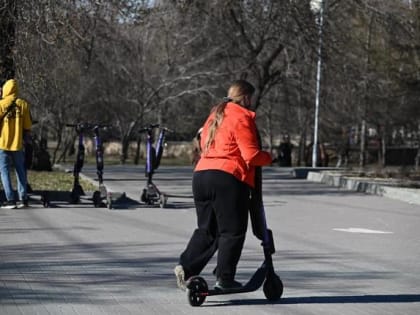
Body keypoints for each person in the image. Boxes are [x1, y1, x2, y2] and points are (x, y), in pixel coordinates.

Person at [174, 80, 272, 291]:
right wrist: (269, 158)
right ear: (245, 97)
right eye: (251, 99)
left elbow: (201, 144)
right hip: (226, 178)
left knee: (207, 230)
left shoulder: (215, 115)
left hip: (201, 176)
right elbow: (251, 155)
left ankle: (186, 267)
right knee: (232, 231)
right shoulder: (241, 116)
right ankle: (225, 279)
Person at [0, 79, 32, 209]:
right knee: (20, 170)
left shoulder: (1, 104)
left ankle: (10, 200)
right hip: (17, 144)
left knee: (4, 171)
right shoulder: (23, 104)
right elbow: (27, 126)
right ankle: (23, 198)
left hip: (3, 143)